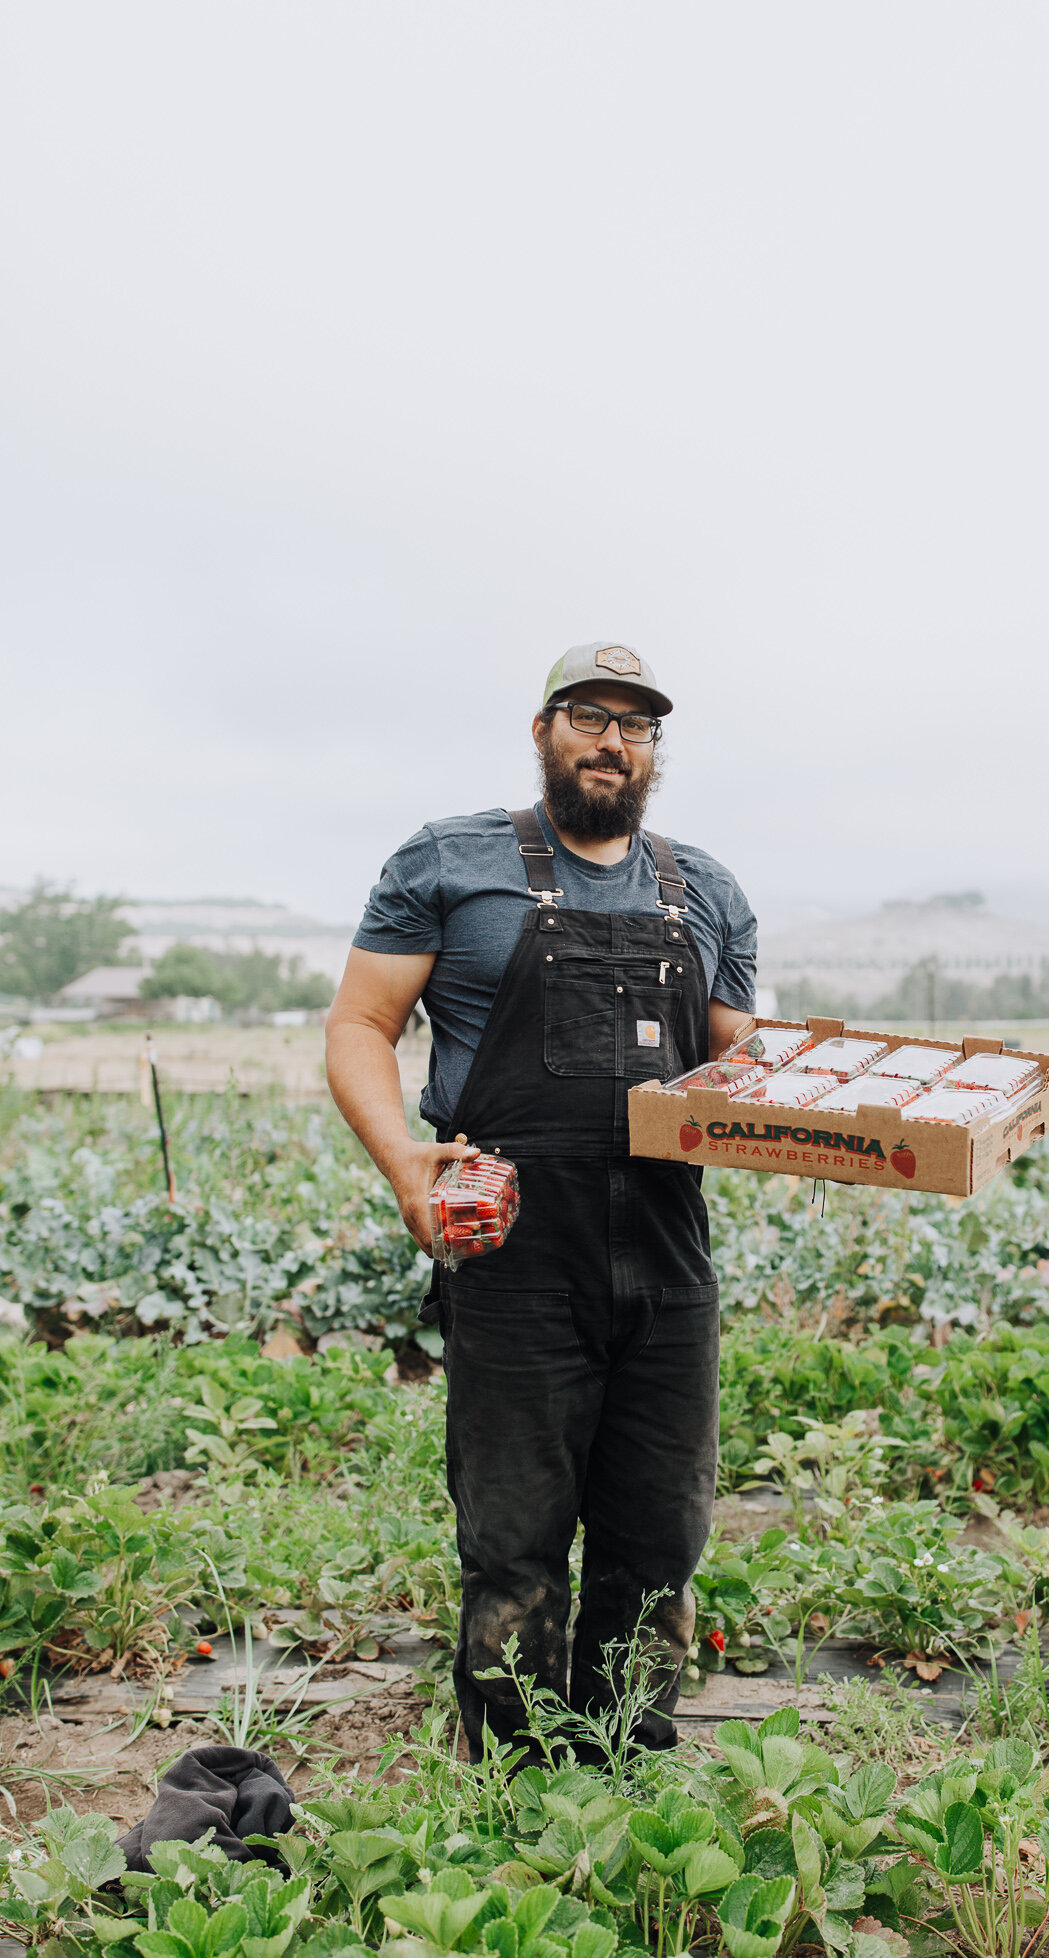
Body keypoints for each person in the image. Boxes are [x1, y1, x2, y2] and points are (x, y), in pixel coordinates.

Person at [326, 642, 757, 1759]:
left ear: (655, 748)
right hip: (513, 1245)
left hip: (666, 1252)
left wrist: (870, 1121)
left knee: (659, 1531)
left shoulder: (705, 887)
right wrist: (404, 1164)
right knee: (515, 1535)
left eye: (637, 723)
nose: (613, 740)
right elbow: (360, 1026)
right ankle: (514, 1783)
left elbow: (745, 1071)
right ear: (543, 730)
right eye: (589, 715)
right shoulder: (448, 860)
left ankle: (622, 1761)